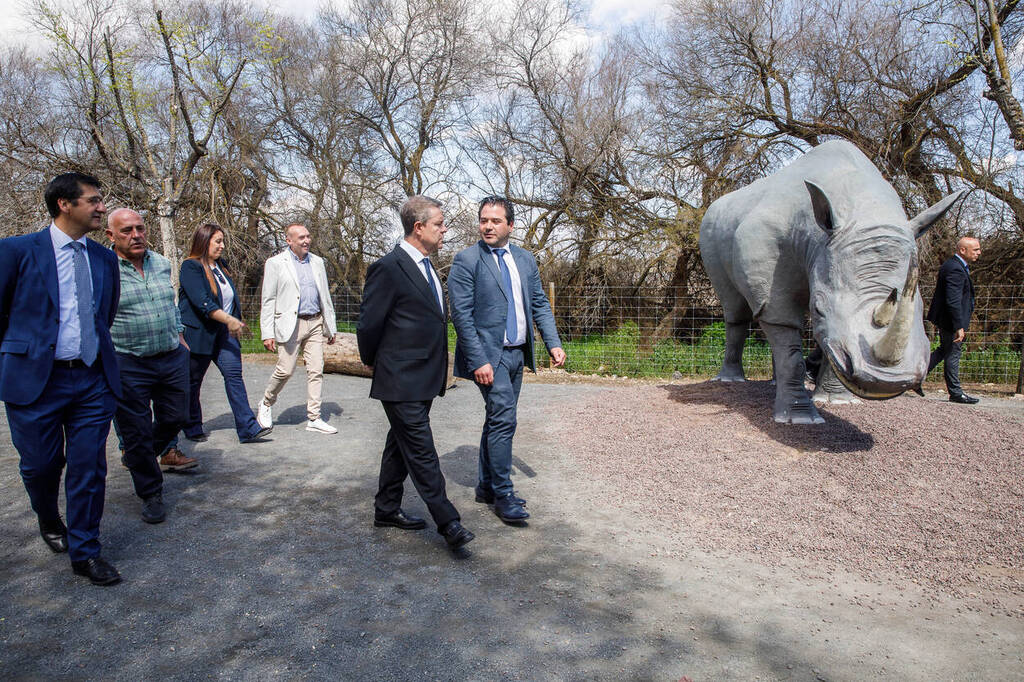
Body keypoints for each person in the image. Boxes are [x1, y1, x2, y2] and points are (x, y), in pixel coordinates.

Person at [0, 172, 122, 585]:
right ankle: (49, 518)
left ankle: (85, 551)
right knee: (40, 466)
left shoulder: (105, 258)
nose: (101, 207)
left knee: (89, 467)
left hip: (91, 379)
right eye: (93, 200)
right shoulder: (17, 251)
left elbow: (104, 316)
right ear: (64, 205)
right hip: (35, 382)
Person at [356, 196, 474, 552]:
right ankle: (448, 521)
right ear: (418, 227)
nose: (444, 230)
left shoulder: (428, 266)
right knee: (421, 449)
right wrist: (373, 361)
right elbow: (369, 324)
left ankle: (387, 508)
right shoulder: (389, 267)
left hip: (425, 377)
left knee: (401, 444)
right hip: (400, 378)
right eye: (439, 224)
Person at [448, 196, 565, 523]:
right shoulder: (466, 260)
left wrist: (553, 343)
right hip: (489, 357)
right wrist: (479, 360)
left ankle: (486, 485)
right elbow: (461, 317)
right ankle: (503, 493)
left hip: (517, 354)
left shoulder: (525, 260)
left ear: (510, 225)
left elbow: (539, 303)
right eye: (484, 220)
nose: (487, 226)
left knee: (497, 418)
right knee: (503, 419)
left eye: (495, 221)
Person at [106, 208, 197, 525]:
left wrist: (181, 335)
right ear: (112, 236)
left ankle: (138, 455)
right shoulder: (105, 269)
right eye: (127, 230)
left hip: (170, 355)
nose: (136, 235)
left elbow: (169, 303)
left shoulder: (160, 263)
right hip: (128, 360)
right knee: (136, 429)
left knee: (177, 416)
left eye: (140, 228)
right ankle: (151, 493)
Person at [178, 224, 271, 443]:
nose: (222, 246)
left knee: (234, 377)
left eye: (222, 241)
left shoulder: (221, 266)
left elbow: (227, 298)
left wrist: (235, 317)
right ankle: (192, 426)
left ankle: (248, 427)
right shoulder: (190, 267)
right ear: (204, 241)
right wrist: (230, 319)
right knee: (193, 381)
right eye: (217, 241)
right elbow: (203, 302)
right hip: (199, 334)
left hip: (225, 334)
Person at [256, 224, 340, 434]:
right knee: (285, 370)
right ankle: (266, 403)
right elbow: (268, 300)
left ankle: (314, 417)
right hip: (290, 324)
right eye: (301, 237)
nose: (306, 241)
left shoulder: (318, 262)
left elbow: (325, 297)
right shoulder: (275, 263)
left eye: (308, 236)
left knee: (316, 370)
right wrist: (267, 332)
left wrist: (331, 326)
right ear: (289, 240)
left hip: (315, 322)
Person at [923, 236, 981, 404]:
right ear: (963, 250)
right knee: (953, 354)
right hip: (951, 321)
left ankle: (914, 378)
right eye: (975, 249)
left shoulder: (955, 265)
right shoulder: (955, 268)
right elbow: (953, 300)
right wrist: (959, 326)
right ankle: (955, 393)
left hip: (949, 319)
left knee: (944, 350)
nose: (979, 252)